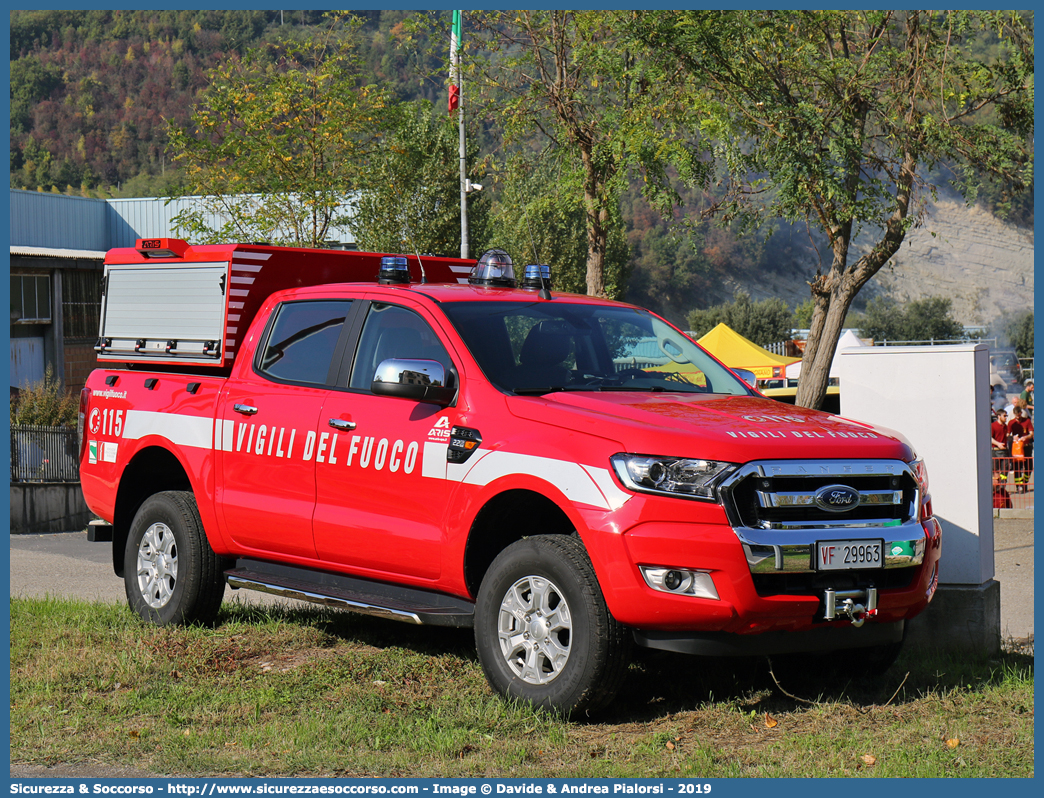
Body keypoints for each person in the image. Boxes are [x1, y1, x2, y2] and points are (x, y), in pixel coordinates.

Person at [1007, 405, 1034, 493]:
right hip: (1017, 448)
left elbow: (1031, 433)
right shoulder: (1011, 422)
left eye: (1018, 416)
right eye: (1016, 416)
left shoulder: (1027, 421)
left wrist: (1025, 437)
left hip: (1026, 447)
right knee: (1017, 467)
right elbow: (1007, 435)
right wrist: (1012, 437)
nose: (1017, 418)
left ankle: (1025, 482)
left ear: (1021, 413)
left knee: (1028, 467)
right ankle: (1019, 486)